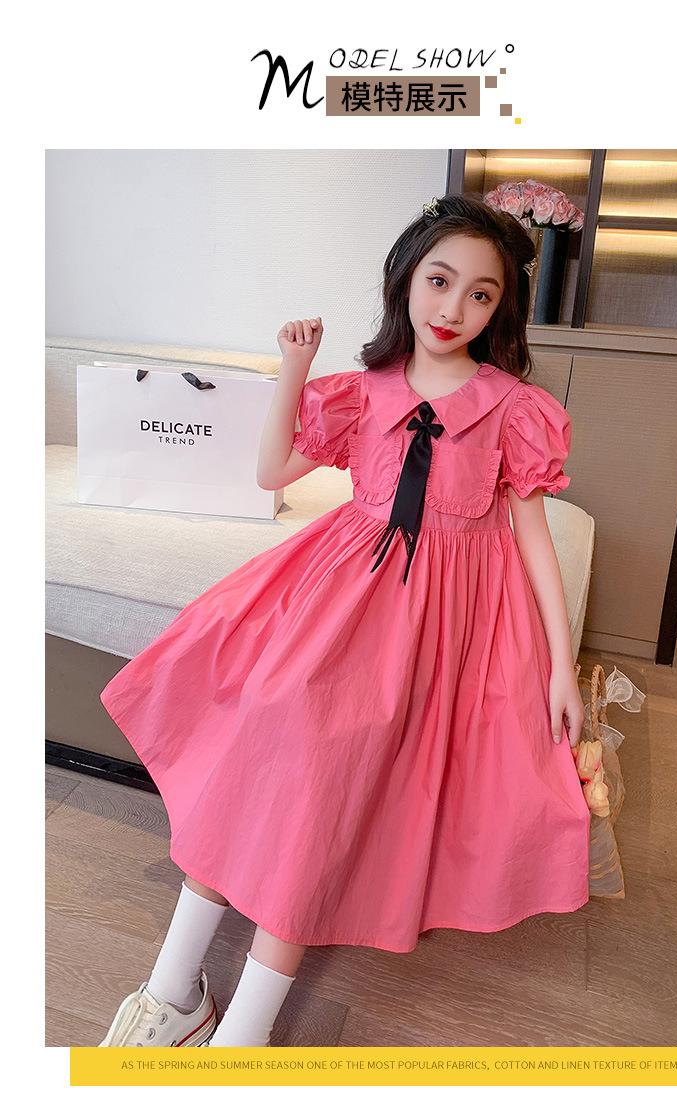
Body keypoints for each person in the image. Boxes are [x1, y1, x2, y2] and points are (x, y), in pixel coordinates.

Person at [97, 192, 589, 1048]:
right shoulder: (364, 393)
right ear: (405, 279)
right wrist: (293, 366)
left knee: (327, 791)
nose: (453, 307)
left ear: (501, 309)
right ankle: (172, 994)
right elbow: (271, 472)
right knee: (264, 740)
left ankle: (241, 1034)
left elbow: (532, 538)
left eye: (480, 293)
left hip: (441, 628)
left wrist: (559, 666)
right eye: (439, 280)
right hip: (338, 602)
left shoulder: (514, 407)